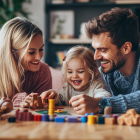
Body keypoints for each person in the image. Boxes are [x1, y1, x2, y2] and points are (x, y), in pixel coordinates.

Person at [69, 7, 140, 114]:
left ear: (126, 48)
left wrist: (100, 104)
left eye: (103, 50)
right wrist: (55, 95)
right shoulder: (105, 70)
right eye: (95, 49)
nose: (96, 57)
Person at [0, 17, 52, 108]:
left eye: (41, 49)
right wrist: (20, 100)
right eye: (31, 52)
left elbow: (42, 109)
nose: (39, 57)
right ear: (12, 52)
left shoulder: (43, 71)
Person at [41, 46, 111, 112]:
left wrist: (95, 101)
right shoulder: (67, 87)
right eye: (70, 72)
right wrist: (53, 96)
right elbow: (60, 100)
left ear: (93, 71)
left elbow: (106, 96)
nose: (74, 76)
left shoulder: (95, 85)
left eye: (80, 71)